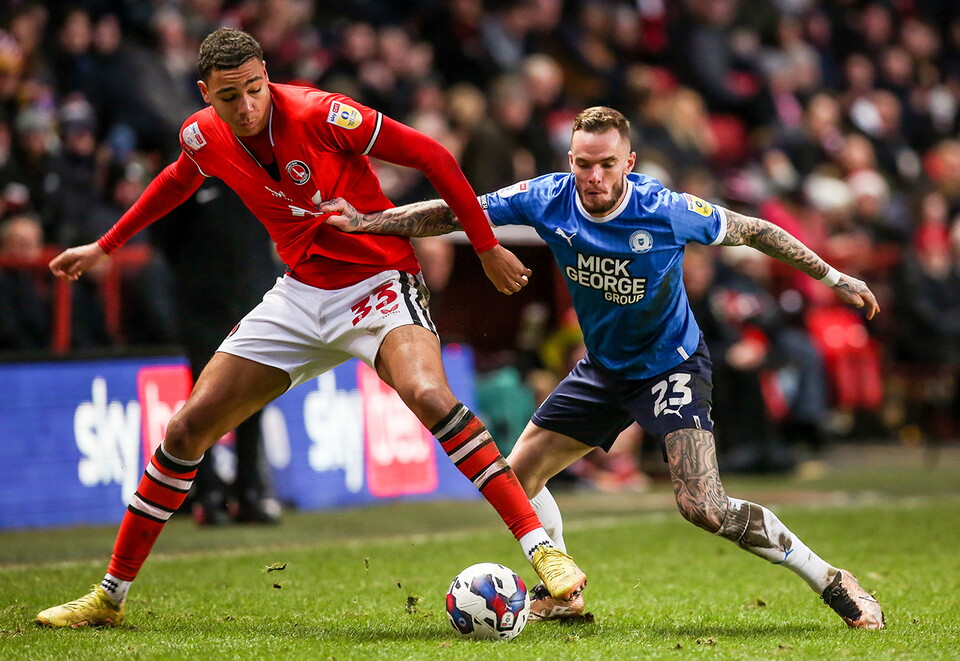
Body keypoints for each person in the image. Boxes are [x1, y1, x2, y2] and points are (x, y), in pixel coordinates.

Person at [37, 27, 585, 629]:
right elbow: (176, 178)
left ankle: (545, 554)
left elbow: (434, 156)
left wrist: (482, 245)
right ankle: (108, 598)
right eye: (229, 96)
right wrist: (106, 244)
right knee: (186, 428)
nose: (246, 106)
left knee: (430, 395)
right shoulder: (202, 136)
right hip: (300, 295)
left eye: (254, 89)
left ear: (266, 75)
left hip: (379, 282)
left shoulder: (322, 114)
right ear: (205, 94)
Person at [320, 106, 885, 629]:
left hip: (672, 367)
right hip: (603, 371)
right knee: (515, 481)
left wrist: (835, 278)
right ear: (570, 160)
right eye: (584, 164)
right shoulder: (546, 197)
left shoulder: (664, 210)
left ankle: (833, 580)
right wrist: (368, 222)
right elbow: (452, 213)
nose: (594, 176)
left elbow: (756, 231)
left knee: (702, 507)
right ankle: (563, 596)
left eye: (607, 165)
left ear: (628, 163)